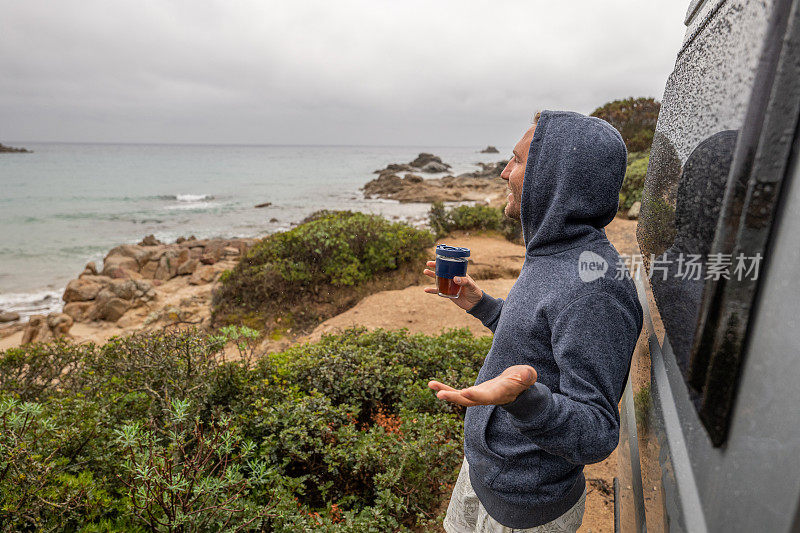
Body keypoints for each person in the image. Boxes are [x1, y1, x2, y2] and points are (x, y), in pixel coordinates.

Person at [423, 110, 643, 532]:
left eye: (518, 161)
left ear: (553, 177)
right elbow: (542, 340)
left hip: (524, 510)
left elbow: (597, 433)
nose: (505, 172)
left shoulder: (593, 286)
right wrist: (483, 305)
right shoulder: (554, 253)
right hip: (485, 478)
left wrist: (523, 400)